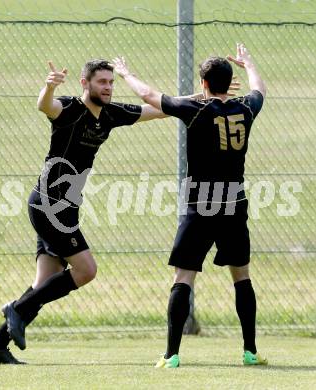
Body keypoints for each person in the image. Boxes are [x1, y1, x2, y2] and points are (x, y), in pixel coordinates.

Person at [0, 59, 209, 364]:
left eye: (111, 82)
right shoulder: (70, 110)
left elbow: (159, 109)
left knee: (43, 286)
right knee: (86, 270)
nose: (108, 87)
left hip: (65, 209)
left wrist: (201, 98)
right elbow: (45, 106)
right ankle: (17, 310)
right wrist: (49, 86)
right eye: (102, 82)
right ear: (84, 83)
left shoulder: (111, 114)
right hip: (49, 205)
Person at [112, 43, 267, 368]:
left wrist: (126, 74)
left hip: (201, 203)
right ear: (228, 81)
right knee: (242, 276)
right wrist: (249, 63)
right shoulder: (245, 108)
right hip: (234, 203)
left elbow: (150, 96)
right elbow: (259, 90)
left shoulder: (196, 110)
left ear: (204, 84)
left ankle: (171, 355)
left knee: (184, 277)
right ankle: (250, 351)